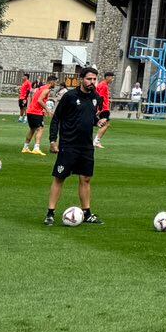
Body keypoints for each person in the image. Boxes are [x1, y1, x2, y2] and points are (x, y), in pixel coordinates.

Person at [45, 68, 104, 227]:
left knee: (85, 179)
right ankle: (50, 213)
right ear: (81, 79)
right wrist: (52, 140)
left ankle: (87, 213)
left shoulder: (96, 98)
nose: (92, 82)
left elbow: (89, 117)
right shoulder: (70, 96)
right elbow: (56, 118)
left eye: (94, 79)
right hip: (68, 145)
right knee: (60, 177)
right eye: (89, 79)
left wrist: (97, 122)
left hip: (86, 146)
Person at [22, 75, 51, 154]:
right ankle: (36, 148)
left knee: (32, 129)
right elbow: (40, 100)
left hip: (30, 111)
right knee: (40, 128)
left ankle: (25, 147)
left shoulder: (41, 88)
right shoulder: (47, 89)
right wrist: (47, 110)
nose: (57, 83)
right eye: (56, 82)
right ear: (52, 82)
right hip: (36, 112)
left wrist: (43, 110)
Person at [94, 71, 115, 147]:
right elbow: (101, 97)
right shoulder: (104, 86)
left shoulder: (102, 85)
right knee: (105, 125)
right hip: (104, 108)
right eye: (112, 78)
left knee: (104, 124)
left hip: (103, 108)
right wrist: (100, 109)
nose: (112, 79)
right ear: (108, 77)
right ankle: (96, 141)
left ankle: (96, 141)